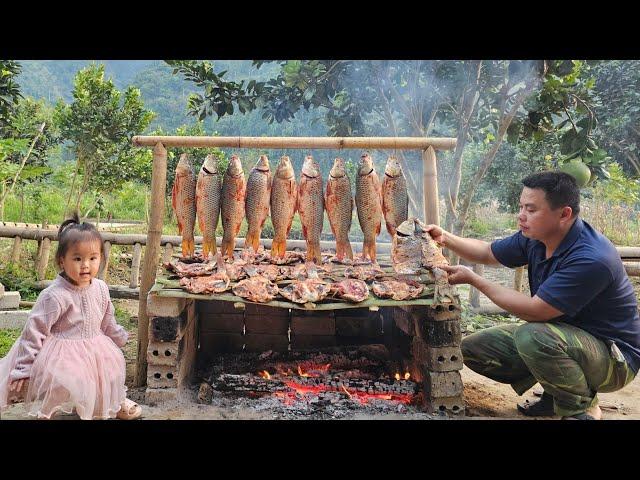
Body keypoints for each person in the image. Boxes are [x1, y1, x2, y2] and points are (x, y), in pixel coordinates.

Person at [426, 171, 640, 420]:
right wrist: (445, 237)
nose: (521, 215)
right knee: (474, 349)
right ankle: (556, 393)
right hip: (565, 339)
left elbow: (535, 311)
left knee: (533, 336)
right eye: (521, 207)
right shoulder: (537, 238)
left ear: (564, 214)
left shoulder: (591, 258)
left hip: (614, 359)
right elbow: (486, 252)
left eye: (531, 209)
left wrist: (475, 279)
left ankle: (580, 407)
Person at [0, 214, 142, 420]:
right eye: (77, 258)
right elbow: (34, 330)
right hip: (61, 350)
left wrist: (117, 334)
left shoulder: (100, 288)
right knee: (66, 379)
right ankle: (46, 412)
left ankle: (108, 403)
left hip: (94, 345)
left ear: (101, 258)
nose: (85, 265)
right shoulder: (55, 295)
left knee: (109, 372)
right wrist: (23, 367)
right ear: (62, 261)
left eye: (92, 258)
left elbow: (106, 318)